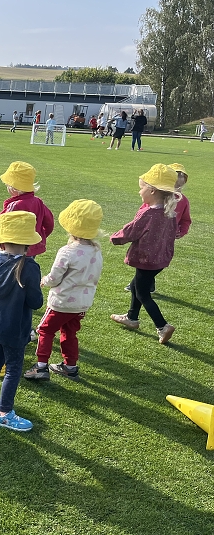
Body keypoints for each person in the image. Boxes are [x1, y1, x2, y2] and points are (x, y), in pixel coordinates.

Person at [0, 211, 43, 432]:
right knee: (13, 367)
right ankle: (3, 413)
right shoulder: (29, 267)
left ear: (2, 239)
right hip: (14, 327)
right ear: (28, 243)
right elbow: (35, 302)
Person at [24, 200, 103, 382]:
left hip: (62, 302)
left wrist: (44, 280)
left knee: (44, 330)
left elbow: (55, 278)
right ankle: (70, 366)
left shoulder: (67, 251)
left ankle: (41, 366)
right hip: (82, 303)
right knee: (69, 332)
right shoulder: (96, 251)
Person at [110, 164, 179, 344]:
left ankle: (162, 326)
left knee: (142, 293)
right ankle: (132, 317)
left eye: (142, 188)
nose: (140, 192)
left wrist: (115, 238)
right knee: (136, 285)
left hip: (146, 259)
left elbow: (131, 231)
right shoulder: (169, 212)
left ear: (153, 191)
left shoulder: (149, 213)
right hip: (160, 260)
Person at [124, 162, 192, 293]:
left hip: (165, 236)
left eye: (181, 175)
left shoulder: (183, 200)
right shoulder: (156, 197)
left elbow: (185, 220)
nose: (179, 178)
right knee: (147, 260)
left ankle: (141, 285)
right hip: (149, 235)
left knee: (156, 259)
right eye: (176, 174)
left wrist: (181, 231)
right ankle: (140, 285)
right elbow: (142, 213)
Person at [0, 161, 54, 261]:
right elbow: (49, 224)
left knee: (7, 273)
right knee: (25, 271)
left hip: (12, 249)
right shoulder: (38, 202)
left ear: (14, 188)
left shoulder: (15, 206)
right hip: (29, 248)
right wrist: (37, 238)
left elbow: (1, 228)